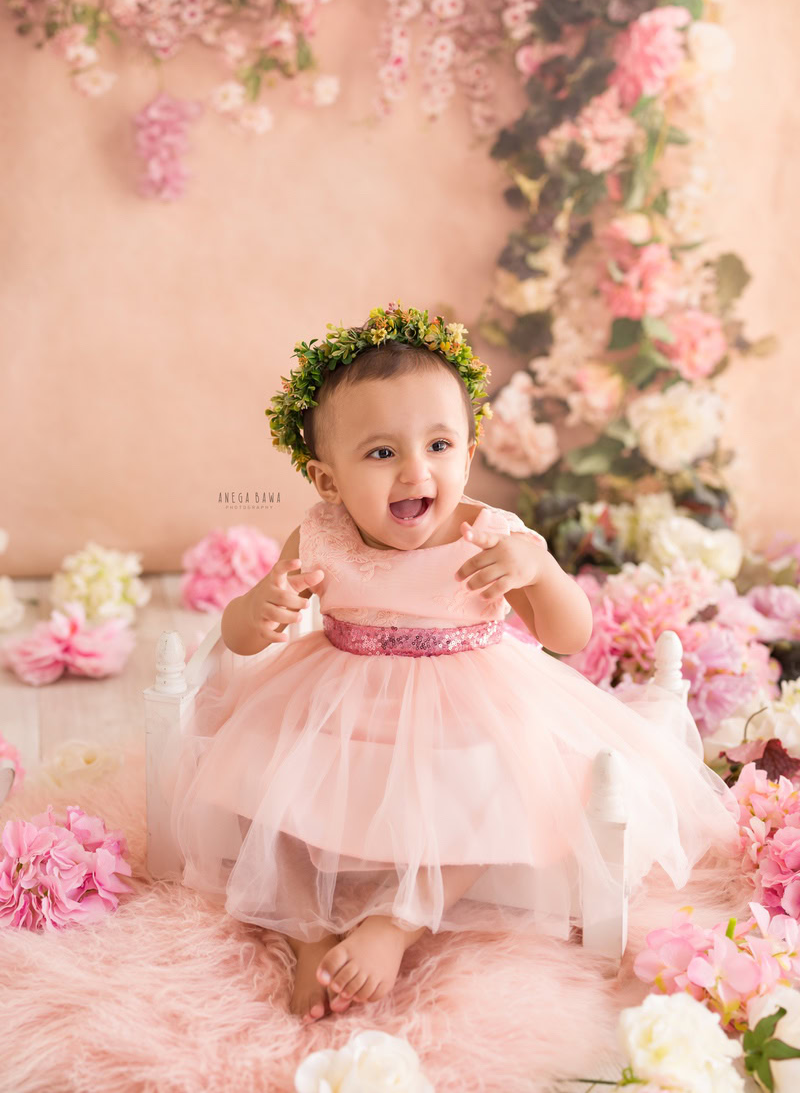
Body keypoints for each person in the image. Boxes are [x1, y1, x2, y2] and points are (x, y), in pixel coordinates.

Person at [165, 304, 740, 1027]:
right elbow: (243, 637)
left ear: (468, 455)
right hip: (339, 696)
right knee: (272, 786)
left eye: (439, 444)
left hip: (467, 703)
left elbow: (569, 634)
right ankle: (308, 933)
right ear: (328, 480)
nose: (417, 469)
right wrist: (262, 607)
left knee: (490, 790)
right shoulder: (321, 535)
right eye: (382, 453)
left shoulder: (491, 535)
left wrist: (539, 570)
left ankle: (397, 922)